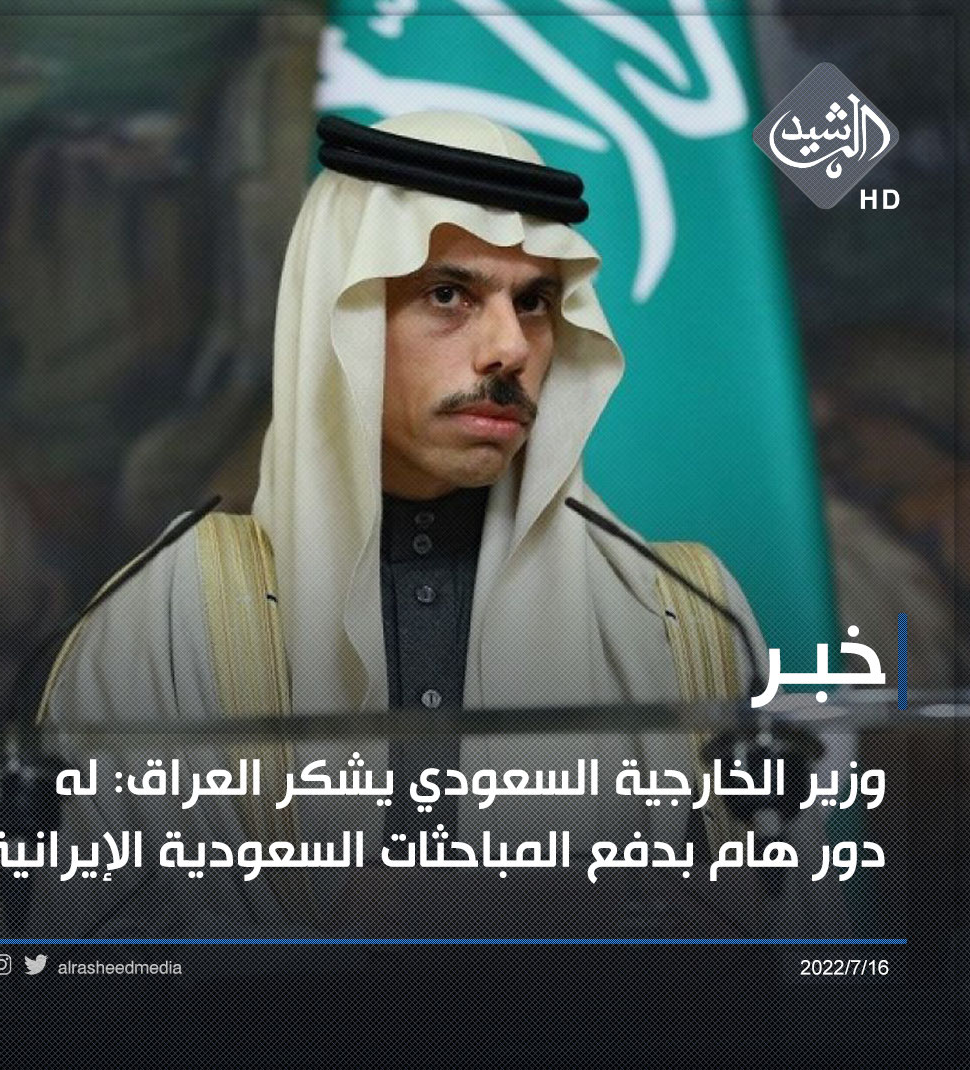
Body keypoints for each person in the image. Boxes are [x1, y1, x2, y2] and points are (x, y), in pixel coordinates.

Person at [38, 110, 764, 725]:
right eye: (448, 295)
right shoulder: (168, 618)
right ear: (338, 318)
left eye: (534, 302)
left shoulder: (683, 626)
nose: (511, 348)